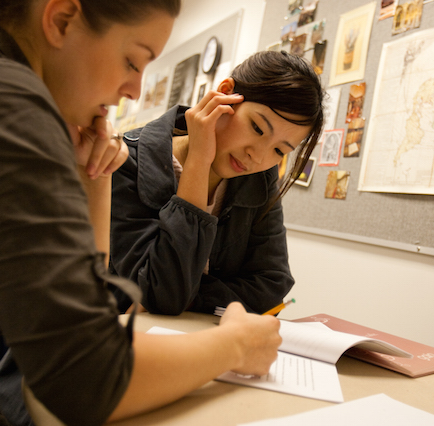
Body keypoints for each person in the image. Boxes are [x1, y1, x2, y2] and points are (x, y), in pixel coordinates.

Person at [0, 0, 281, 425]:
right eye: (133, 61)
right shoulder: (5, 101)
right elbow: (86, 373)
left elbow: (94, 303)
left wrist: (94, 177)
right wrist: (236, 345)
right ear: (61, 19)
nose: (136, 91)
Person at [109, 50, 325, 316]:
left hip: (206, 342)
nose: (257, 156)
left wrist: (192, 296)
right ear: (225, 94)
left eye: (279, 151)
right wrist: (199, 160)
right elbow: (164, 293)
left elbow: (272, 286)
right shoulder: (126, 160)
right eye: (257, 128)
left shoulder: (259, 176)